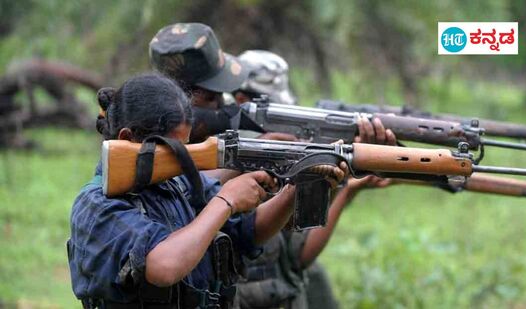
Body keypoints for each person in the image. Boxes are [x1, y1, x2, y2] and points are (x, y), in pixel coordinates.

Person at [67, 73, 347, 308]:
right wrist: (225, 201)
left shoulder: (175, 184)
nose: (185, 158)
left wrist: (295, 186)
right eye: (174, 149)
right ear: (128, 140)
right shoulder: (98, 206)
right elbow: (163, 267)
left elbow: (250, 232)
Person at [233, 50, 395, 309]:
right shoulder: (235, 169)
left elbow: (299, 248)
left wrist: (343, 182)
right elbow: (300, 256)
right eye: (277, 113)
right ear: (241, 100)